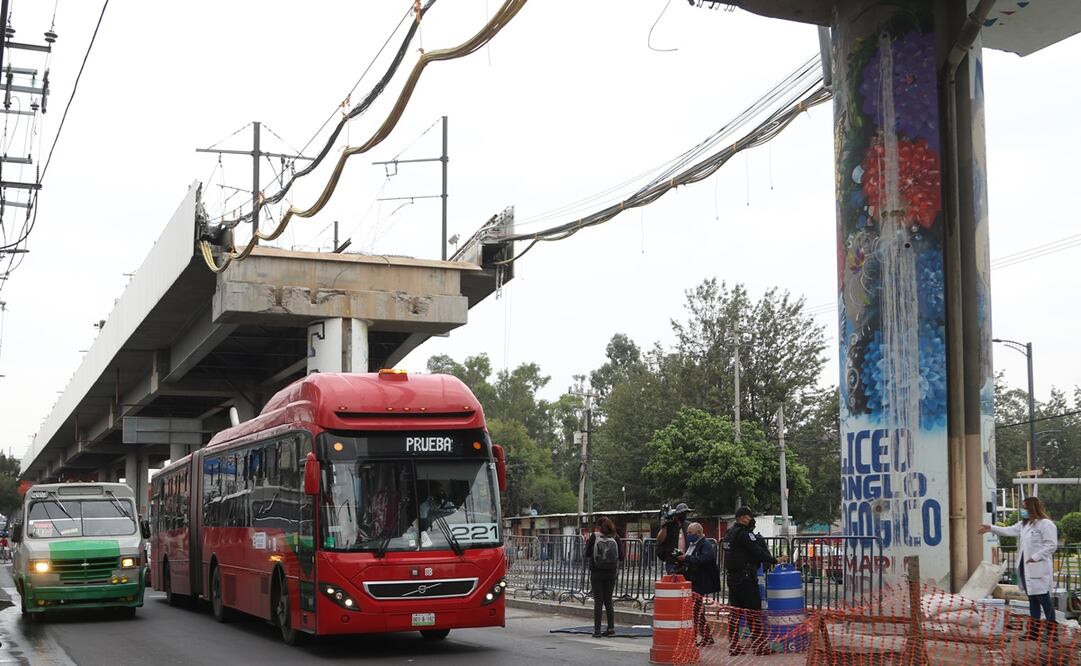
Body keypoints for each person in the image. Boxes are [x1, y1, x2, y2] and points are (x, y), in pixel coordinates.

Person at [980, 496, 1059, 640]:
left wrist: (1035, 557)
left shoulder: (1045, 524)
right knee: (1033, 600)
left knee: (1044, 600)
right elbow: (1009, 530)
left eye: (1024, 508)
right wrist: (991, 528)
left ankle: (1052, 633)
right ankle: (1033, 633)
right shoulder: (1025, 525)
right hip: (1026, 568)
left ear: (1032, 508)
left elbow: (1051, 545)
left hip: (1038, 567)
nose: (1022, 510)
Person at [723, 506, 787, 656]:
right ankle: (760, 646)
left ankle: (734, 646)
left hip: (732, 577)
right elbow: (757, 552)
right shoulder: (745, 534)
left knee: (735, 613)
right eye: (750, 517)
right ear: (744, 518)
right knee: (754, 612)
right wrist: (774, 560)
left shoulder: (729, 534)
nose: (752, 520)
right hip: (745, 579)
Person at [677, 522, 721, 647]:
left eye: (690, 533)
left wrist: (686, 558)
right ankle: (706, 636)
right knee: (696, 611)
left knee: (696, 610)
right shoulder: (692, 545)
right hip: (692, 580)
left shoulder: (705, 545)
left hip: (700, 581)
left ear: (698, 533)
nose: (688, 535)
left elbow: (705, 559)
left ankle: (704, 636)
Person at [585, 516, 623, 637]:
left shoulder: (594, 537)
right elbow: (621, 556)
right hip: (611, 573)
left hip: (596, 573)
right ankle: (611, 628)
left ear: (600, 527)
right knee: (608, 601)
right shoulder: (616, 537)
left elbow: (587, 554)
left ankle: (597, 630)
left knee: (598, 602)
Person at [657, 502, 691, 574]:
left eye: (685, 513)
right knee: (673, 581)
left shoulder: (688, 525)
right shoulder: (669, 525)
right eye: (682, 513)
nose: (684, 515)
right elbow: (660, 540)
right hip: (672, 561)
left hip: (686, 560)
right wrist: (665, 525)